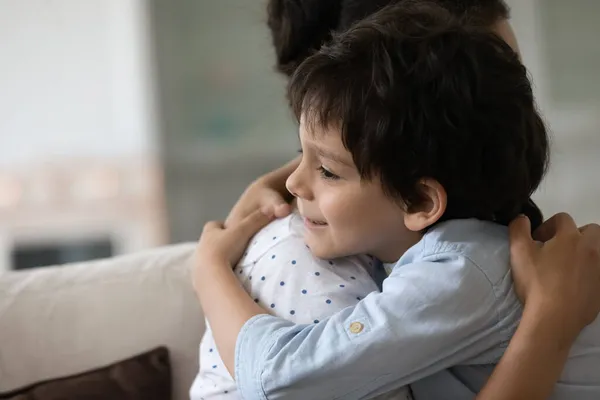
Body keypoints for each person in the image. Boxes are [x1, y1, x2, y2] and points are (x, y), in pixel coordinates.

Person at [193, 2, 600, 399]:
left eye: (328, 171)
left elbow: (282, 378)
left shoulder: (457, 274)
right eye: (302, 157)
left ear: (422, 202)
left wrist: (209, 271)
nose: (295, 184)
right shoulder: (470, 242)